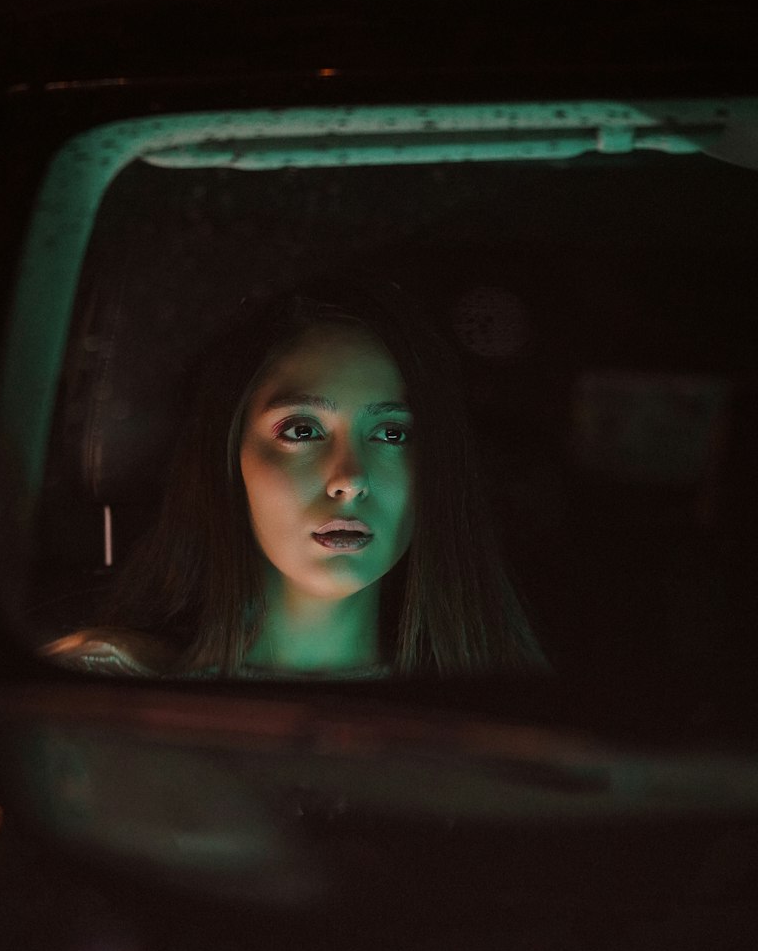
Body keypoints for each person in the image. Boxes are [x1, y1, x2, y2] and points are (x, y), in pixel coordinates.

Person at [45, 275, 546, 679]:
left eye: (392, 434)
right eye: (303, 430)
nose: (348, 479)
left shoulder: (496, 720)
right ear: (230, 455)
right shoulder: (100, 685)